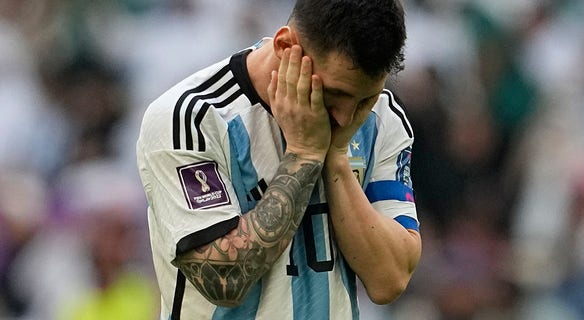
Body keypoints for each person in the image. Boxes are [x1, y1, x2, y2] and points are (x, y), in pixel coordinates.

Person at [136, 0, 422, 319]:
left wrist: (336, 157)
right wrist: (303, 154)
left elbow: (390, 280)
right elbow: (222, 280)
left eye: (364, 97)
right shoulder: (192, 119)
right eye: (334, 93)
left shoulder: (382, 117)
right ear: (286, 46)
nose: (345, 117)